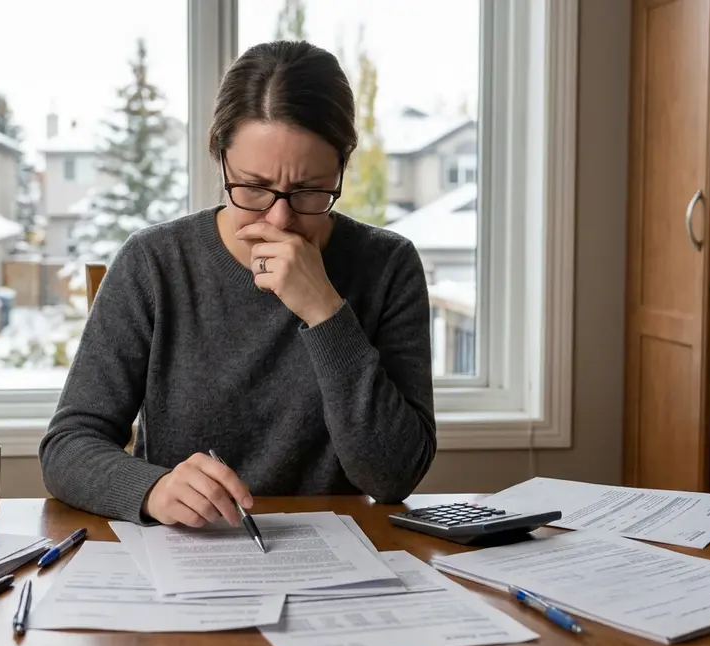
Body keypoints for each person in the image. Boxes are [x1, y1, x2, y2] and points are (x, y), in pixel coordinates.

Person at [39, 40, 436, 528]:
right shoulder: (155, 263)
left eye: (310, 191)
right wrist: (153, 489)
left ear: (342, 167)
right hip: (189, 555)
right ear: (219, 158)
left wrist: (326, 312)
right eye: (253, 188)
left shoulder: (388, 266)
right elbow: (67, 447)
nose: (281, 218)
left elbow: (394, 476)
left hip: (337, 566)